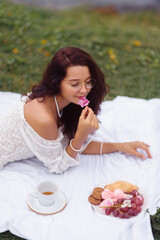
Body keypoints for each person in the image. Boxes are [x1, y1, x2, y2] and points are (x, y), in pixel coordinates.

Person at [0, 46, 152, 174]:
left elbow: (70, 144)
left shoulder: (66, 103)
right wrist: (81, 135)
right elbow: (57, 166)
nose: (84, 90)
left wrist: (121, 146)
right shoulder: (44, 119)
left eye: (88, 82)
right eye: (75, 84)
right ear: (57, 82)